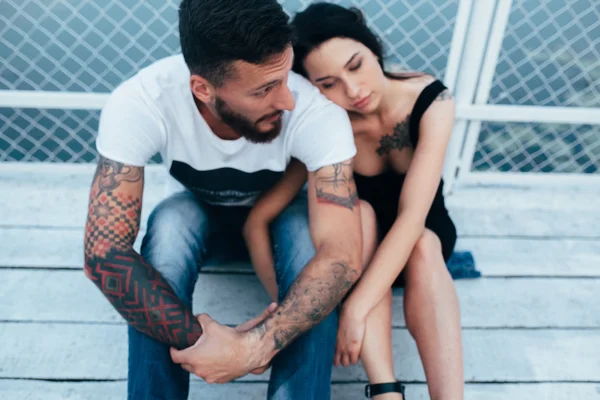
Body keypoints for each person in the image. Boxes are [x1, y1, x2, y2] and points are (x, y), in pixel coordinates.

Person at [82, 0, 364, 399]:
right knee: (169, 228)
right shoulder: (142, 101)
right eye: (265, 89)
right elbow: (103, 252)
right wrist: (208, 345)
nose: (286, 100)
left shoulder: (314, 111)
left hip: (277, 221)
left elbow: (342, 255)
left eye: (285, 76)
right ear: (203, 88)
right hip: (199, 216)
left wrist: (256, 345)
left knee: (307, 240)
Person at [287, 3, 464, 399]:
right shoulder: (329, 123)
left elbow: (414, 216)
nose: (353, 90)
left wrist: (354, 309)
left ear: (375, 50)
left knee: (421, 243)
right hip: (360, 247)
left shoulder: (432, 99)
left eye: (356, 65)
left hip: (422, 236)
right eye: (329, 83)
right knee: (360, 215)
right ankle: (386, 390)